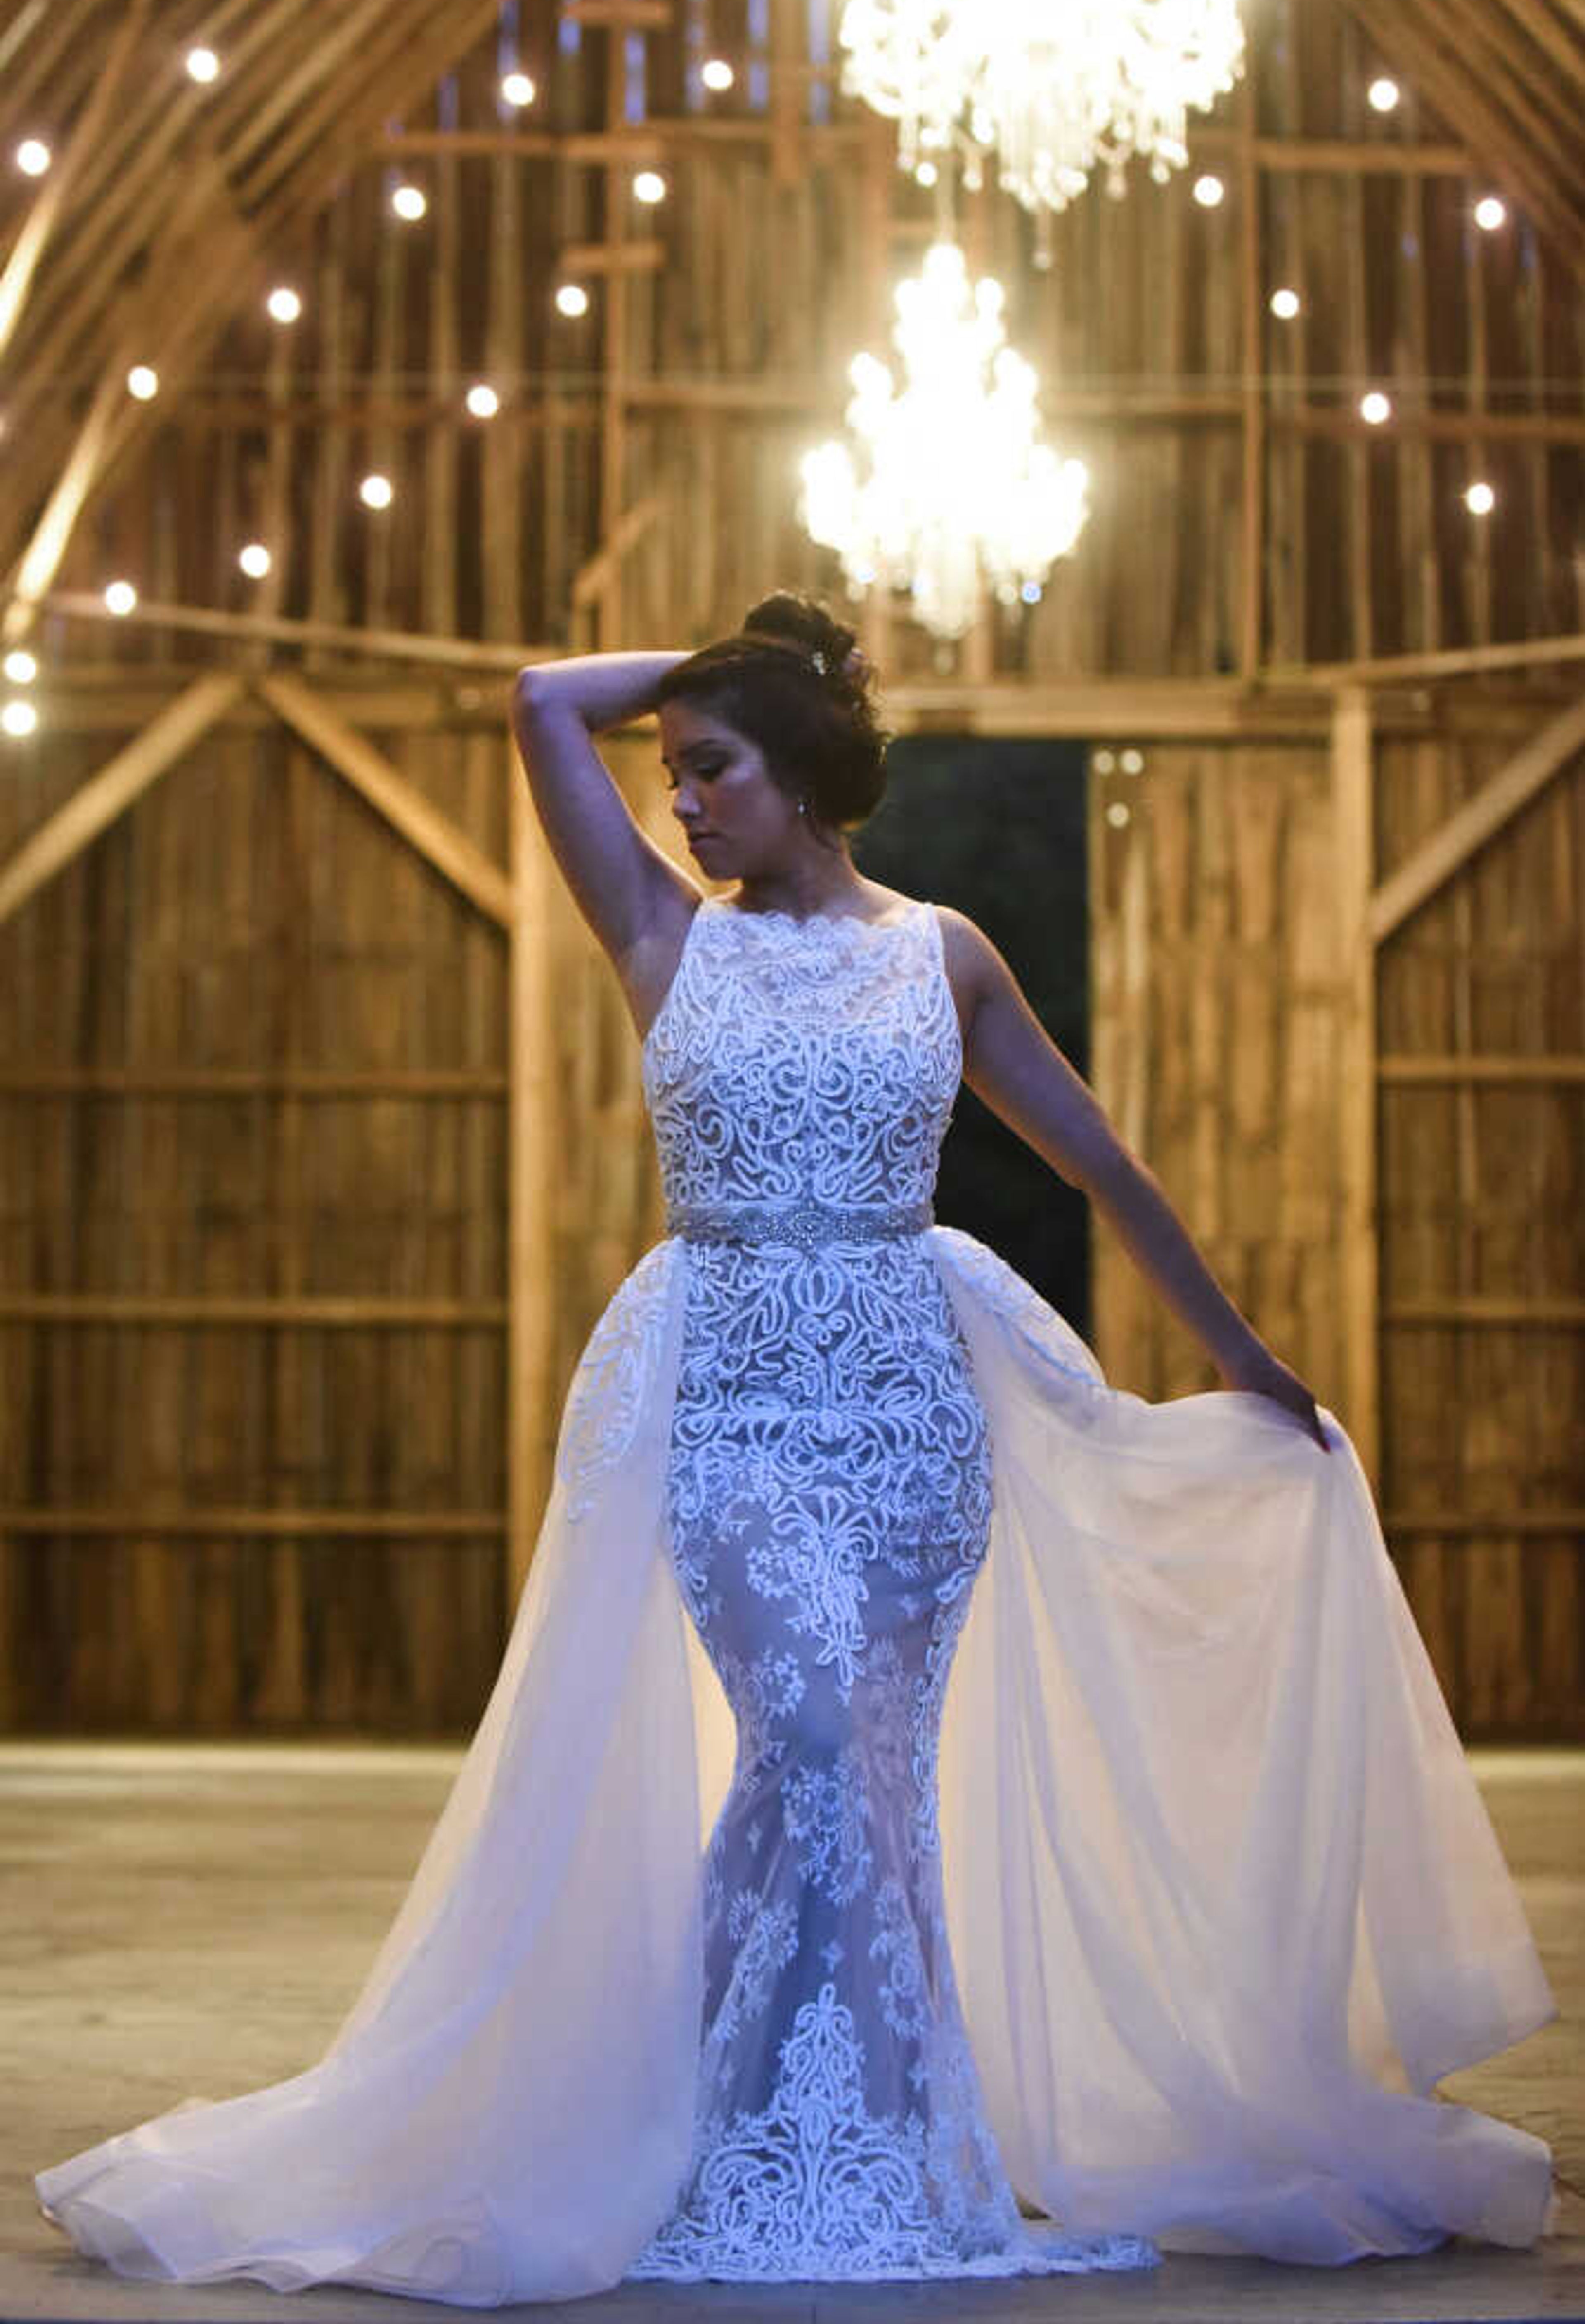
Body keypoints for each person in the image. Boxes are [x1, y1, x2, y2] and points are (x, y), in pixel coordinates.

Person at [35, 593, 1557, 2303]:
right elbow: (542, 699)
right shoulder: (662, 933)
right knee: (813, 1733)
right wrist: (730, 658)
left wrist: (1253, 1361)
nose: (680, 800)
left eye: (714, 768)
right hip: (733, 1401)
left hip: (913, 1414)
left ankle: (866, 2141)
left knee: (867, 1782)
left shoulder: (946, 952)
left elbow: (1100, 1163)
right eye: (673, 771)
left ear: (806, 771)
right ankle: (709, 2128)